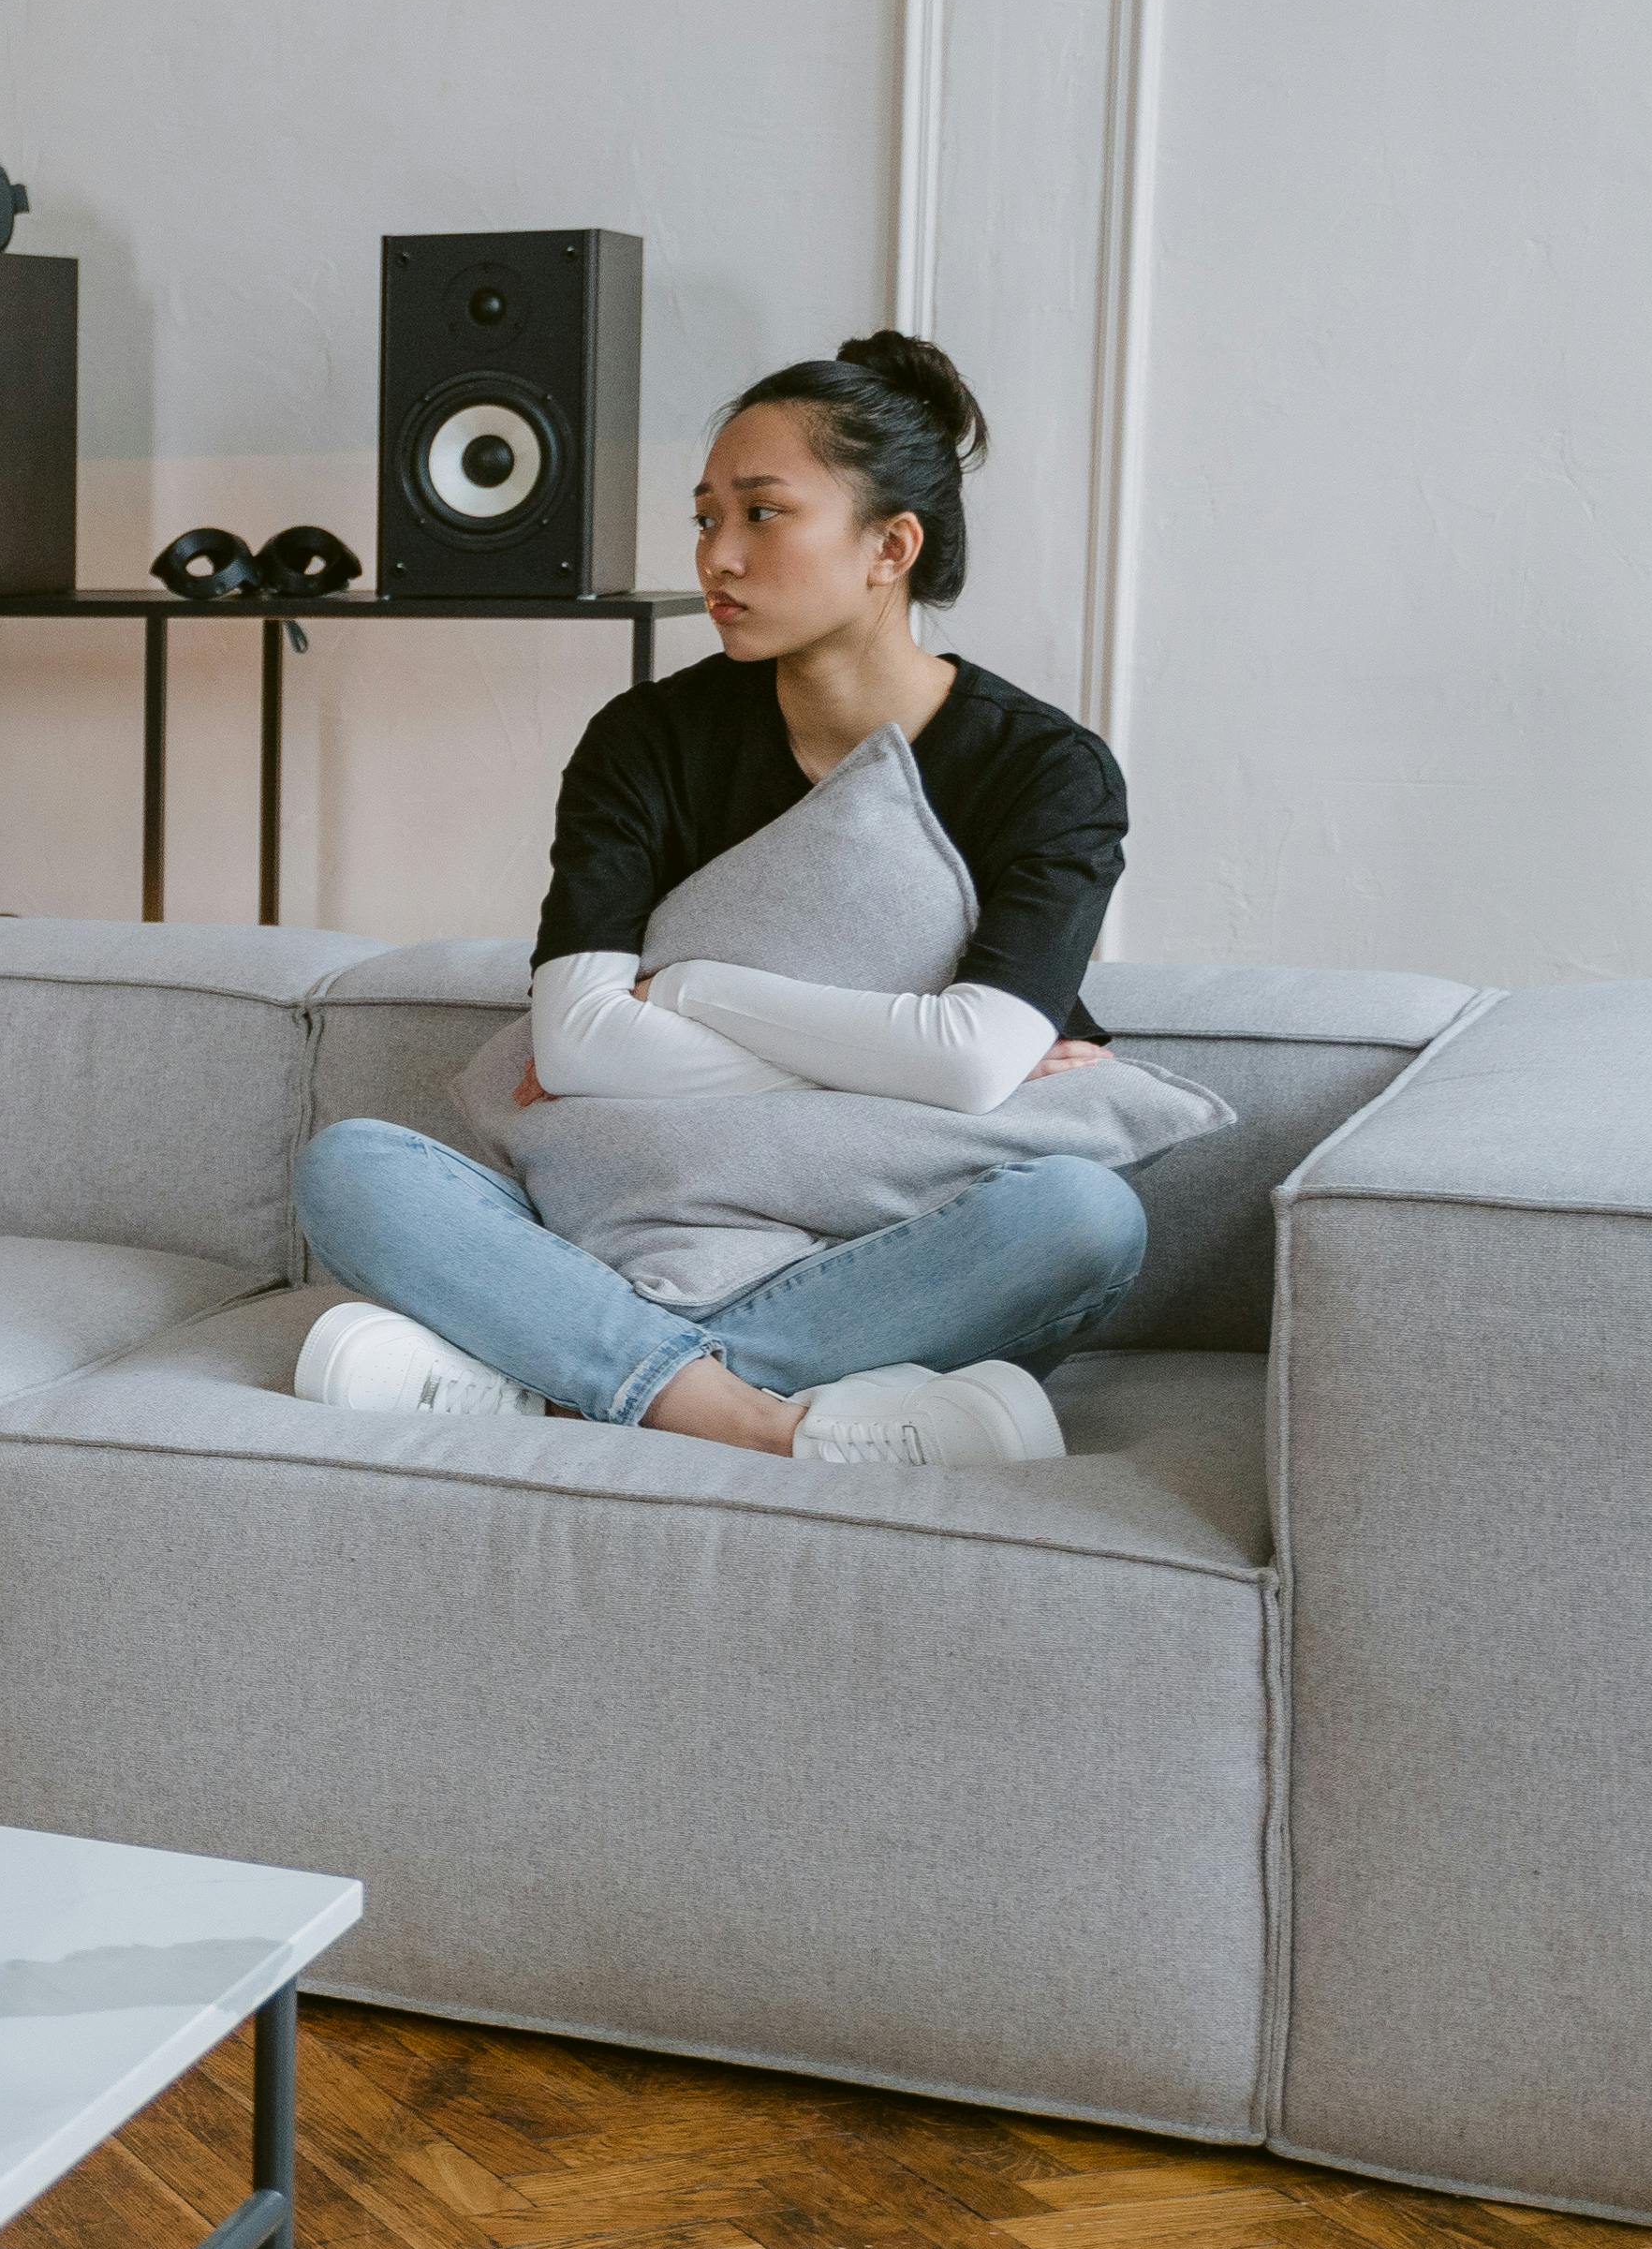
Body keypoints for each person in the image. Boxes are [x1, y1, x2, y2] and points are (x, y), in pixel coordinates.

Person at [290, 330, 1146, 1470]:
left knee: (1084, 1222)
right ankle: (769, 1421)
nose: (717, 558)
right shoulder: (645, 740)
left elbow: (973, 1061)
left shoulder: (1046, 773)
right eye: (706, 519)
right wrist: (912, 1060)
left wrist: (692, 991)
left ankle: (557, 1385)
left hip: (876, 1254)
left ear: (891, 545)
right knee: (352, 1167)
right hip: (635, 1223)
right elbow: (583, 1042)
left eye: (761, 514)